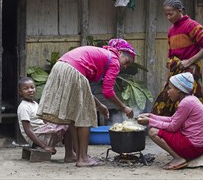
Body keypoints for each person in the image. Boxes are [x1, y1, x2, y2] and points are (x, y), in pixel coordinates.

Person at [37, 38, 136, 167]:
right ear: (120, 52)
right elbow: (107, 91)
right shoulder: (114, 60)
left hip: (61, 67)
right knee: (85, 117)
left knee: (73, 115)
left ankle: (71, 155)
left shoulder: (102, 55)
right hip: (72, 69)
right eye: (127, 61)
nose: (125, 66)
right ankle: (82, 159)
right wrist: (124, 108)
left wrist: (100, 105)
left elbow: (85, 90)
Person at [151, 0, 203, 116]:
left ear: (180, 11)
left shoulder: (191, 26)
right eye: (166, 15)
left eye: (171, 14)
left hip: (189, 72)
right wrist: (166, 80)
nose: (168, 17)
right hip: (175, 70)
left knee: (187, 104)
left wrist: (189, 61)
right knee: (164, 101)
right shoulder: (171, 31)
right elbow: (171, 57)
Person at [138, 72, 203, 170]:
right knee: (158, 128)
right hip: (198, 146)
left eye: (170, 88)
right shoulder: (190, 99)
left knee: (153, 131)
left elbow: (173, 127)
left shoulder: (186, 103)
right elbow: (173, 119)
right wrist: (151, 116)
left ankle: (178, 158)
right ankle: (179, 156)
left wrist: (150, 121)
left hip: (193, 147)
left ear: (179, 90)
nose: (167, 91)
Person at [17, 77, 75, 162]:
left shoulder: (35, 104)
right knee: (69, 125)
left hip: (43, 134)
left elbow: (43, 121)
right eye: (26, 89)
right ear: (20, 92)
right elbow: (28, 130)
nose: (30, 90)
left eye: (32, 87)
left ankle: (74, 152)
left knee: (67, 122)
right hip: (38, 139)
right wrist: (45, 146)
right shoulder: (24, 107)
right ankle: (70, 154)